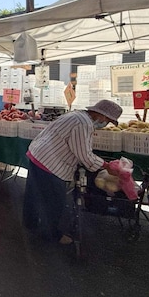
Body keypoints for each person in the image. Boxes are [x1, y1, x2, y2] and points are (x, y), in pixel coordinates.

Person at [22, 99, 123, 245]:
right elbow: (83, 154)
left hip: (38, 155)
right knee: (54, 201)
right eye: (107, 120)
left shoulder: (76, 115)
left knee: (34, 193)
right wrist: (106, 166)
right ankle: (50, 235)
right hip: (50, 163)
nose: (105, 124)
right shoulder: (84, 124)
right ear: (101, 115)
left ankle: (30, 223)